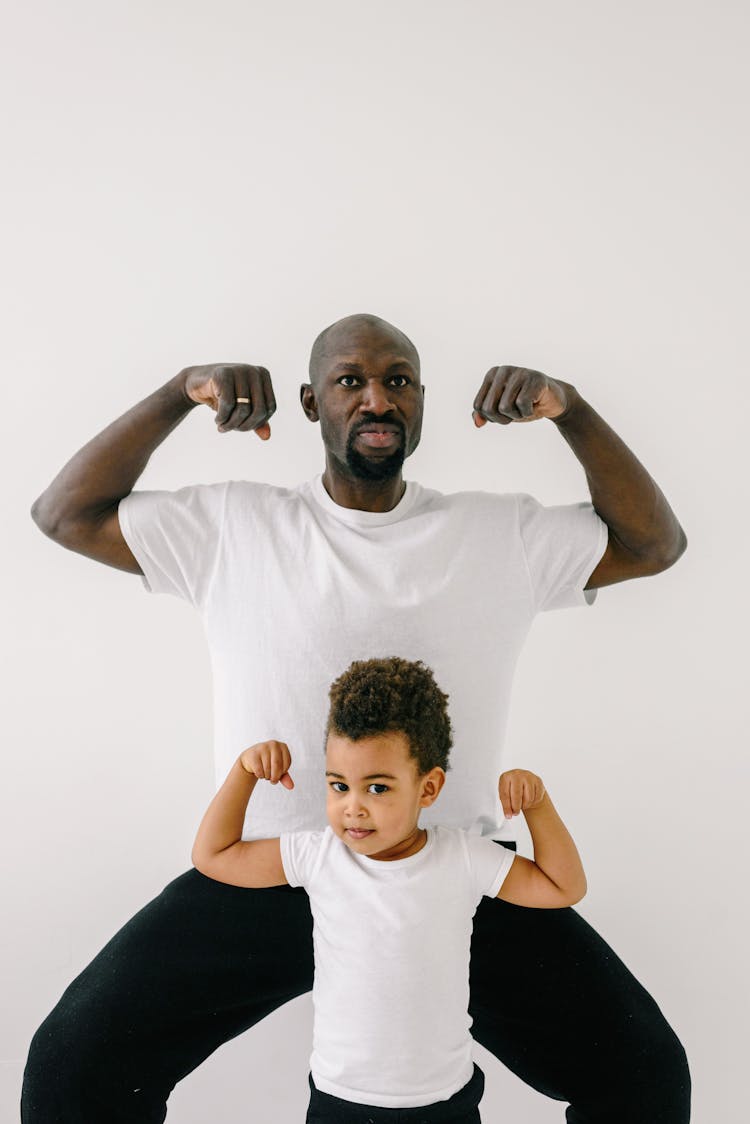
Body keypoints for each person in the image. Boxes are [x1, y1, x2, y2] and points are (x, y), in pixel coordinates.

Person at [25, 313, 690, 1122]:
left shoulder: (497, 533)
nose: (377, 399)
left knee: (645, 1072)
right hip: (269, 870)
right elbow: (65, 515)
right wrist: (177, 394)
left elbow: (655, 546)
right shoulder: (234, 524)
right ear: (312, 403)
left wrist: (571, 410)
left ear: (421, 401)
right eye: (350, 382)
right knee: (74, 1066)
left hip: (446, 877)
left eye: (398, 381)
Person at [192, 657, 588, 1124]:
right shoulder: (318, 856)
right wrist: (243, 772)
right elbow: (213, 856)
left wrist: (538, 804)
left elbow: (564, 886)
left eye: (377, 788)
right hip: (342, 1100)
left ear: (428, 788)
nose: (353, 808)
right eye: (339, 785)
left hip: (445, 1101)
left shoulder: (461, 856)